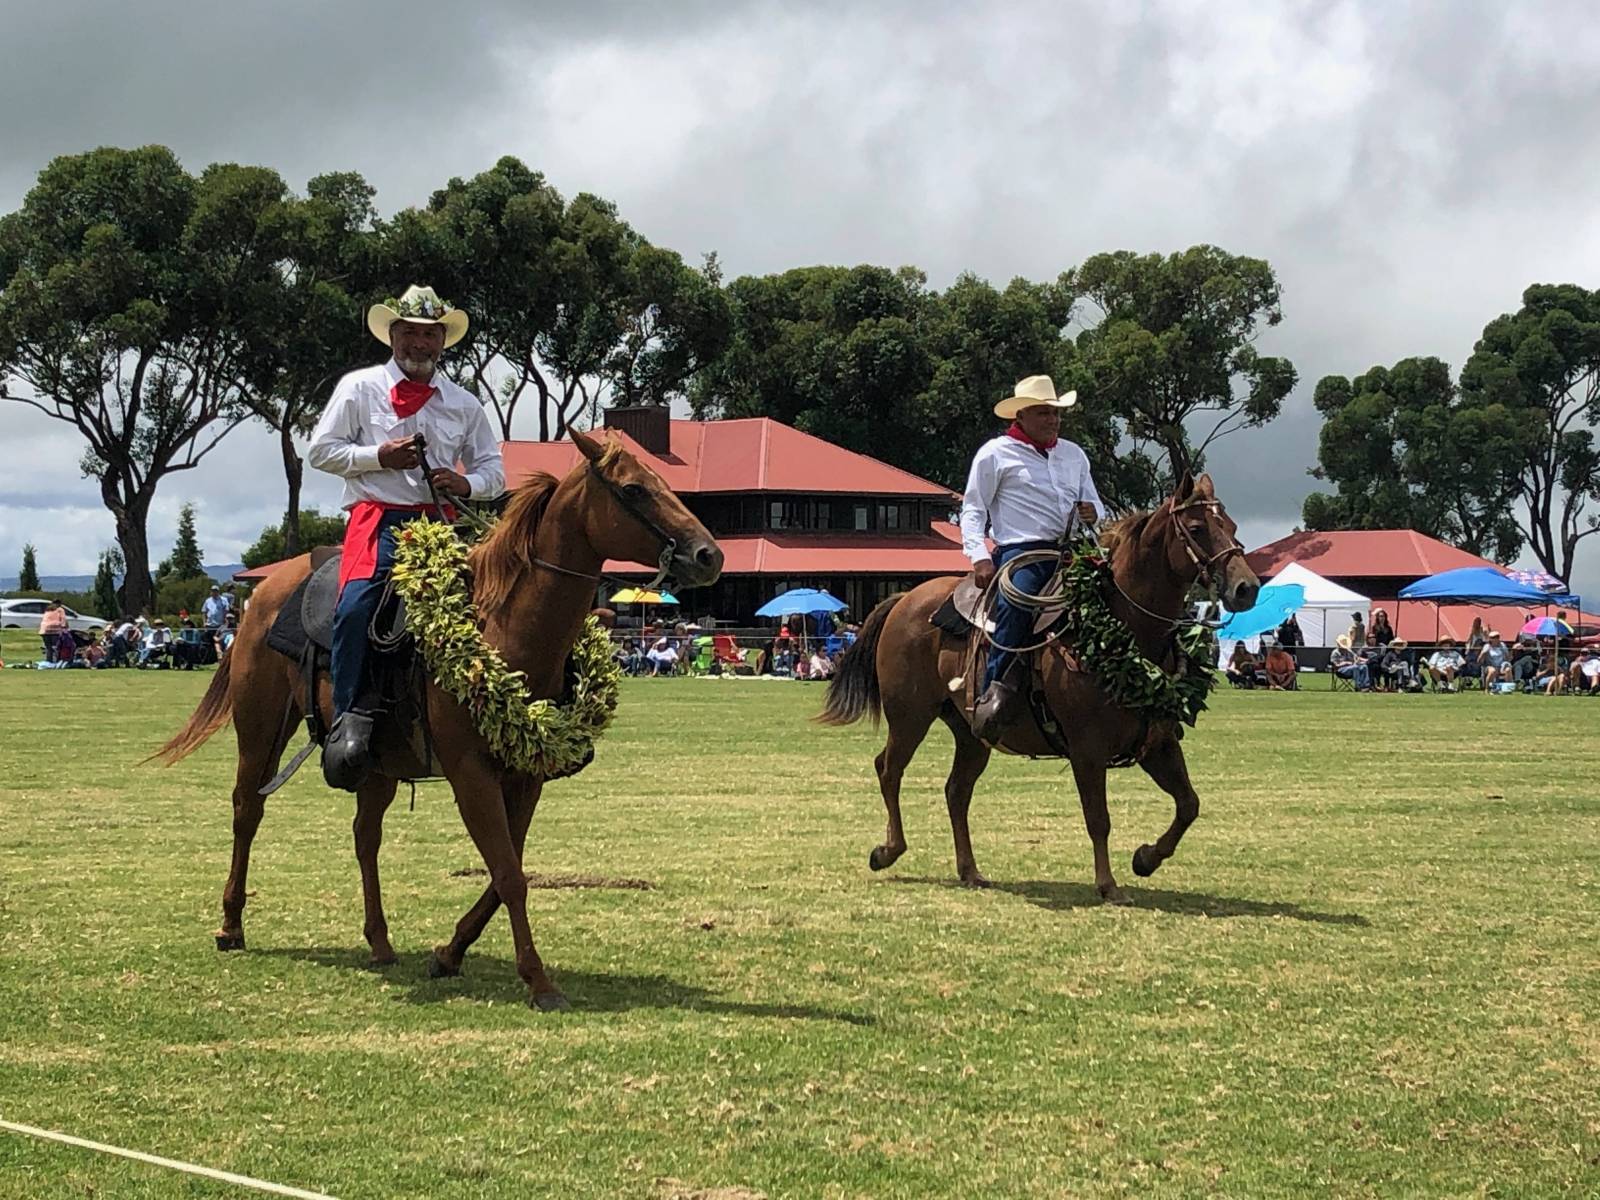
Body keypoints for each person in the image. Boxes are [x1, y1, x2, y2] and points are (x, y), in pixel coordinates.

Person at [307, 285, 504, 790]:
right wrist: (378, 457)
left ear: (443, 341)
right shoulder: (358, 388)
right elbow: (320, 452)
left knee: (487, 611)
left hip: (439, 525)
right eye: (411, 333)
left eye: (430, 334)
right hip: (377, 520)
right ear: (393, 336)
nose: (420, 343)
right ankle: (348, 718)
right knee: (356, 607)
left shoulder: (464, 404)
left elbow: (493, 471)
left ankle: (480, 714)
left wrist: (467, 484)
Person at [959, 374, 1103, 740]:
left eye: (1055, 413)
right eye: (1043, 413)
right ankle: (996, 691)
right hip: (1023, 552)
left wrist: (1093, 512)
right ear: (1020, 415)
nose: (1052, 420)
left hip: (1074, 551)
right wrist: (979, 556)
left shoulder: (1074, 454)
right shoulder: (995, 453)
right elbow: (973, 509)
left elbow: (1094, 501)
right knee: (1016, 603)